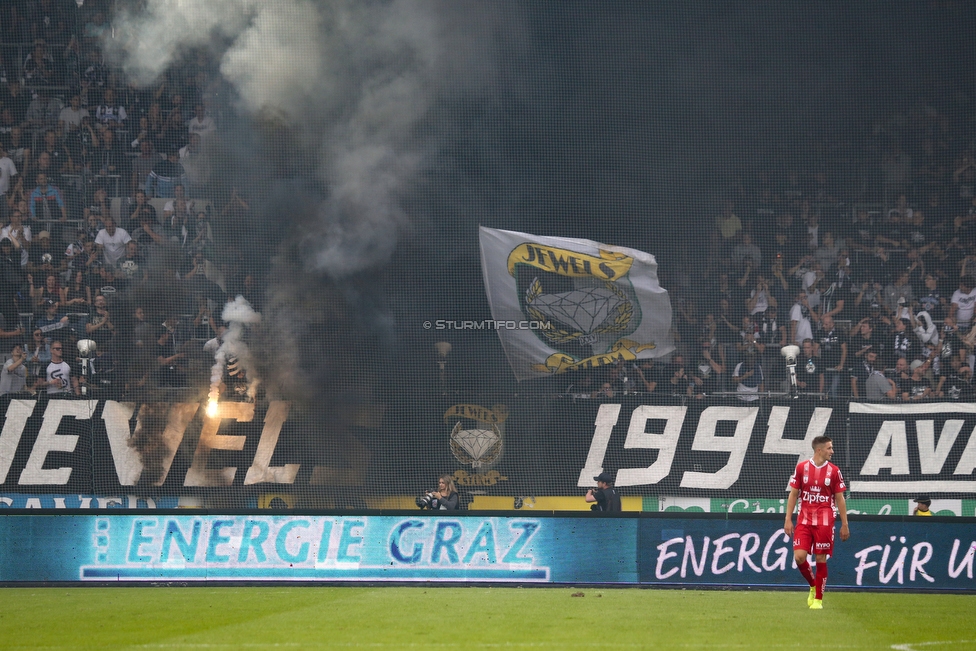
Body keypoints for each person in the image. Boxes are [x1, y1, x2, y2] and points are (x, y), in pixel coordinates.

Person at [784, 436, 850, 610]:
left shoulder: (834, 471)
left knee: (820, 558)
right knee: (799, 557)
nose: (832, 451)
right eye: (829, 448)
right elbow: (793, 494)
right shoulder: (801, 468)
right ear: (819, 450)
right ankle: (813, 585)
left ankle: (818, 600)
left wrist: (844, 524)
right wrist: (788, 519)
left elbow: (840, 498)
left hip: (825, 520)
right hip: (804, 520)